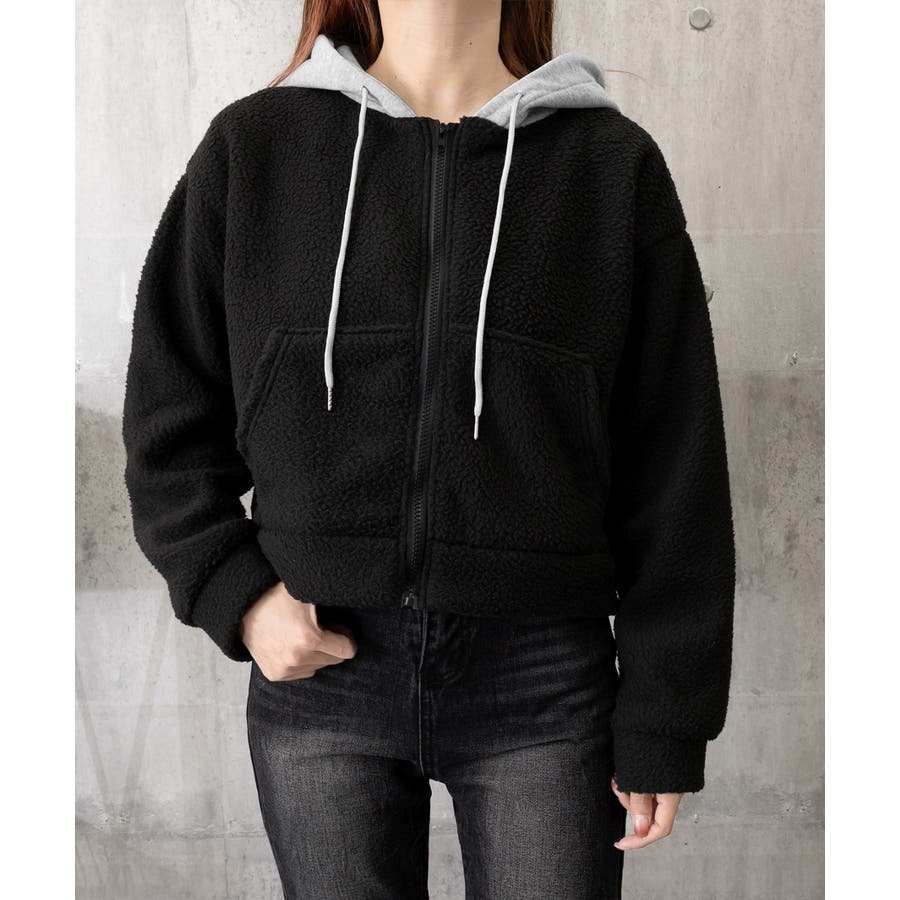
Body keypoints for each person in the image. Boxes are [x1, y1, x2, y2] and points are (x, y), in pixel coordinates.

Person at [121, 0, 736, 897]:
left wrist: (665, 716)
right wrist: (238, 595)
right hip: (323, 666)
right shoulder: (255, 150)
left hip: (543, 675)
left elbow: (675, 464)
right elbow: (167, 414)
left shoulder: (609, 167)